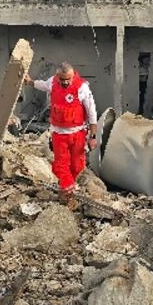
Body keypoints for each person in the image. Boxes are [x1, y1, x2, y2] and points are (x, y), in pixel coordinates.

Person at [24, 62, 98, 208]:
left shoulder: (82, 88)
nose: (64, 82)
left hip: (78, 133)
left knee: (77, 165)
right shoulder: (53, 82)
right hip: (59, 134)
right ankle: (68, 191)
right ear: (58, 77)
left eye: (67, 79)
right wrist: (29, 82)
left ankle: (66, 186)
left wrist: (93, 136)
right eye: (62, 79)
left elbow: (92, 113)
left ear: (72, 75)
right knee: (61, 165)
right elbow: (42, 85)